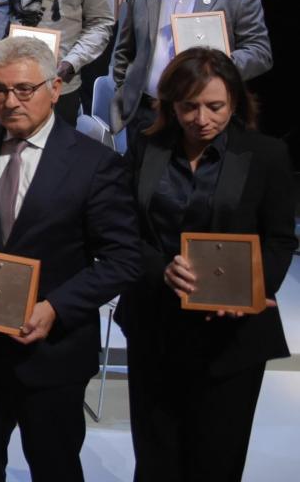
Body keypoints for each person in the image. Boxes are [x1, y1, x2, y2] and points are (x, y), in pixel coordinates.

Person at [0, 36, 141, 482]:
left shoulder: (95, 163)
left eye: (24, 89)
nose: (10, 101)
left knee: (54, 465)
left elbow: (122, 259)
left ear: (54, 88)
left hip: (52, 351)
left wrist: (55, 308)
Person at [117, 48, 295, 482]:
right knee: (157, 459)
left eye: (214, 106)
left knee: (216, 459)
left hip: (230, 335)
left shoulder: (265, 154)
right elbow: (121, 230)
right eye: (188, 107)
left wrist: (255, 289)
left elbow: (280, 238)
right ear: (170, 105)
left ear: (234, 101)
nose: (201, 119)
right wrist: (160, 268)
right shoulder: (146, 147)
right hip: (156, 324)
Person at [110, 0, 271, 135]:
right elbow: (125, 50)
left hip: (201, 112)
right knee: (142, 170)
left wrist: (217, 67)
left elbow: (260, 52)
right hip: (146, 111)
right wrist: (124, 89)